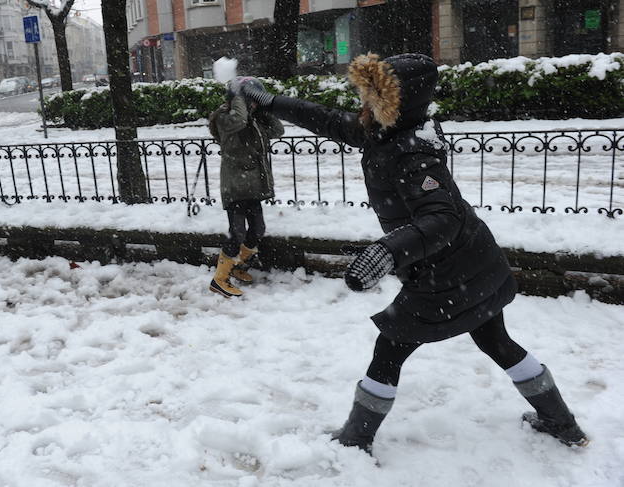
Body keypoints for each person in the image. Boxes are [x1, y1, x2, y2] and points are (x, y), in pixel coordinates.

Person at [237, 53, 587, 452]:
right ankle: (561, 423)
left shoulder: (412, 151)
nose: (363, 105)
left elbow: (441, 218)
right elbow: (331, 121)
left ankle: (356, 439)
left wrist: (388, 251)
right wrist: (269, 101)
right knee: (496, 341)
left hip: (446, 272)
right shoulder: (393, 130)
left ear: (393, 103)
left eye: (373, 96)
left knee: (390, 348)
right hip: (475, 261)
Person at [207, 78, 284, 298]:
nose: (253, 105)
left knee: (258, 229)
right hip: (235, 185)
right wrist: (239, 97)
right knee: (237, 232)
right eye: (251, 100)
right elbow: (238, 120)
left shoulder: (254, 120)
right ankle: (219, 280)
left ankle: (238, 266)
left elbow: (278, 130)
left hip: (254, 187)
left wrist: (263, 110)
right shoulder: (224, 119)